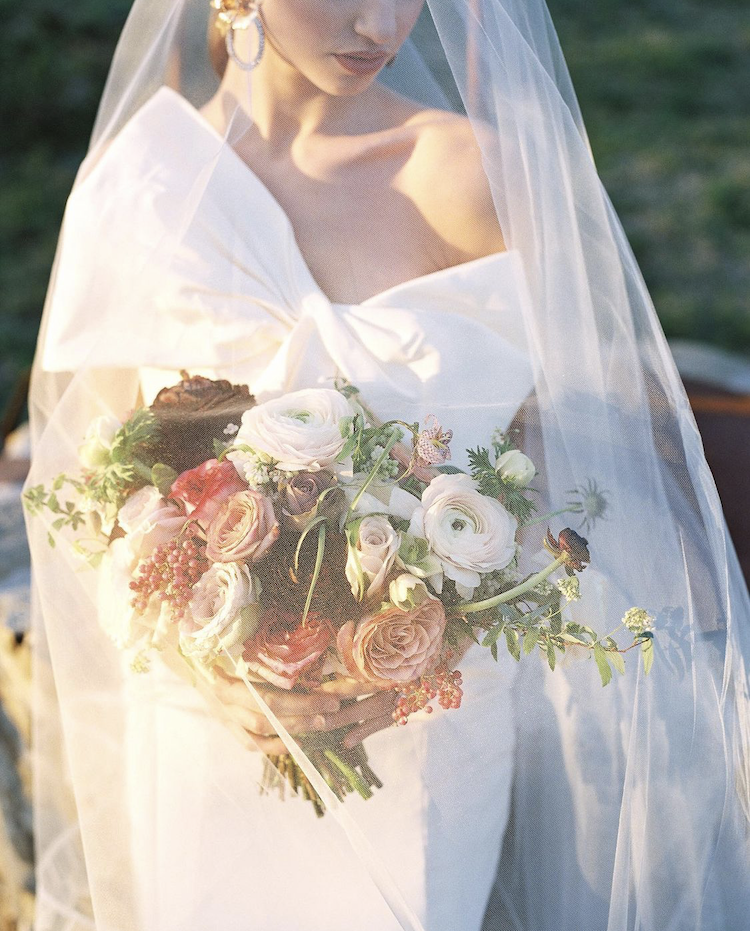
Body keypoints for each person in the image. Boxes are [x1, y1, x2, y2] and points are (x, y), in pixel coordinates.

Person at [23, 2, 750, 930]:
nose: (381, 22)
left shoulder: (484, 177)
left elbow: (569, 469)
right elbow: (95, 488)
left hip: (427, 742)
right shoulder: (143, 187)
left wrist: (423, 646)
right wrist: (199, 656)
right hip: (204, 731)